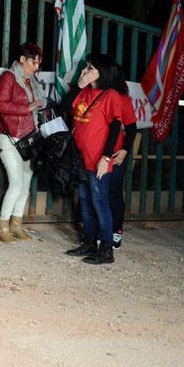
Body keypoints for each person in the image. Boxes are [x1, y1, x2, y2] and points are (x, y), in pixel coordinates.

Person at [59, 53, 125, 265]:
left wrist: (106, 157)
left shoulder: (110, 95)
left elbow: (116, 126)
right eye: (86, 67)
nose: (85, 71)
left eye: (91, 68)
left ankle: (106, 249)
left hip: (97, 160)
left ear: (102, 72)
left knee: (100, 203)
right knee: (85, 203)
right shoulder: (84, 92)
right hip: (79, 160)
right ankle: (89, 242)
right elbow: (63, 109)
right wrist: (78, 86)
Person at [0, 42, 46, 242]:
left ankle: (17, 224)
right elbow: (0, 105)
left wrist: (40, 106)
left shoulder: (32, 81)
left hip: (28, 138)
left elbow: (37, 105)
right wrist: (28, 106)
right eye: (34, 62)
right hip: (8, 137)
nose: (36, 67)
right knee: (16, 182)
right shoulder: (8, 78)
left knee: (25, 183)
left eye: (38, 63)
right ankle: (2, 225)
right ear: (22, 59)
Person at [108, 79, 138, 249]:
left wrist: (125, 150)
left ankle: (116, 231)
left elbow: (132, 128)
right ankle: (100, 230)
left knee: (114, 193)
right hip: (94, 154)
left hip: (116, 153)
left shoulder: (122, 99)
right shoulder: (94, 94)